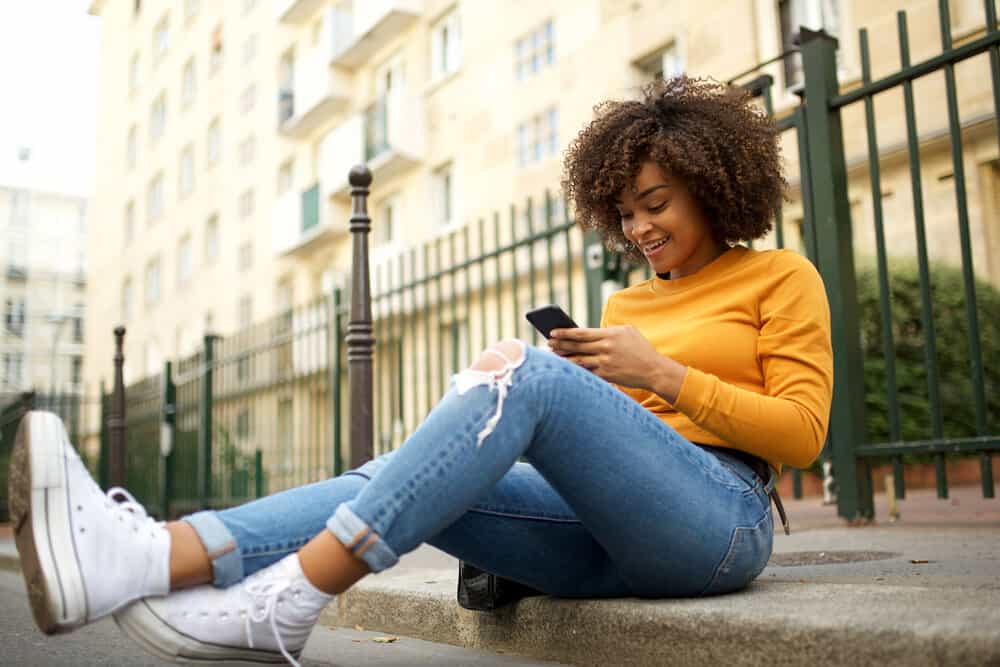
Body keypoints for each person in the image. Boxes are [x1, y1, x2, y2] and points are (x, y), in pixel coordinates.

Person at [9, 76, 832, 666]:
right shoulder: (624, 308)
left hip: (720, 522)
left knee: (527, 378)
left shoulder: (780, 278)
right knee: (404, 467)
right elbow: (612, 455)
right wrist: (558, 402)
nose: (640, 227)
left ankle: (291, 599)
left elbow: (801, 435)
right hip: (605, 540)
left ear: (711, 184)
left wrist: (661, 375)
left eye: (656, 202)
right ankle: (153, 555)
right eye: (624, 214)